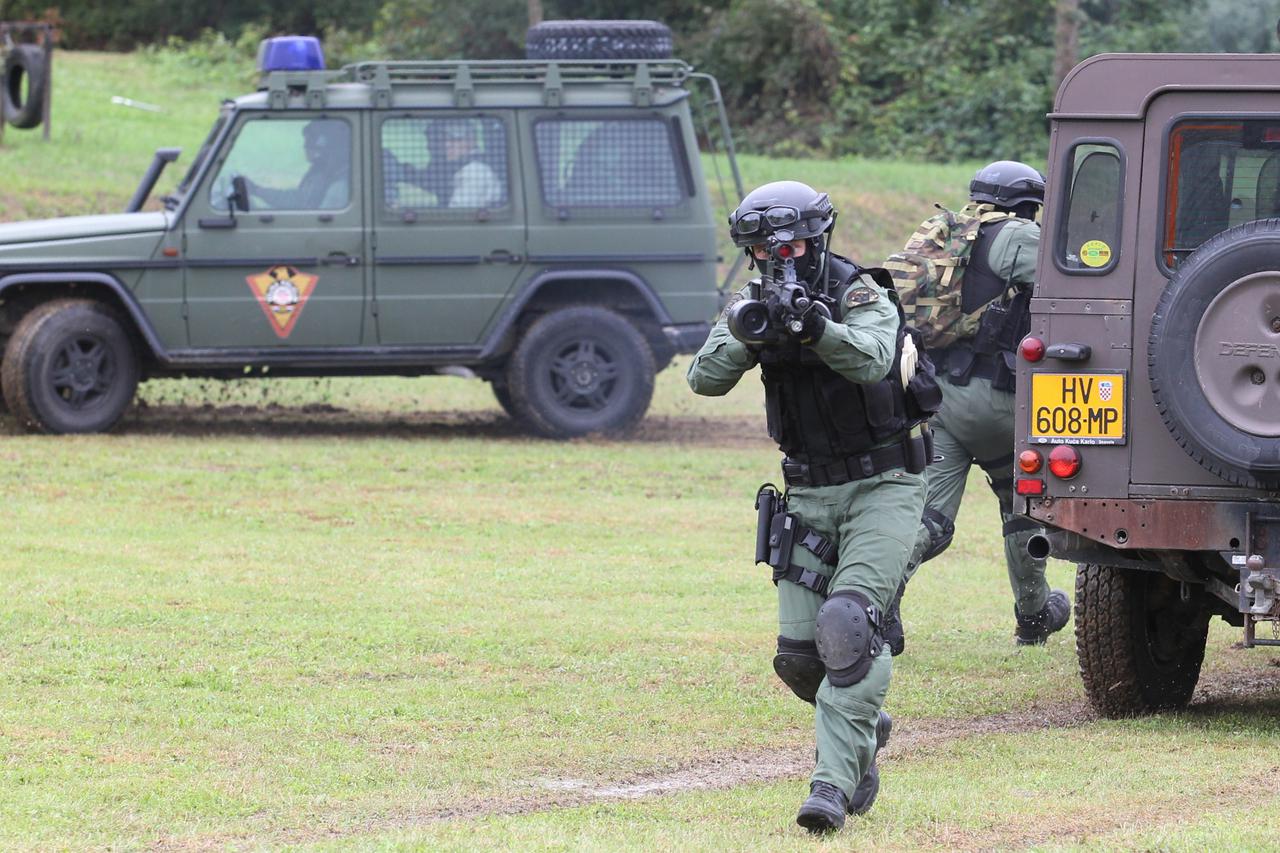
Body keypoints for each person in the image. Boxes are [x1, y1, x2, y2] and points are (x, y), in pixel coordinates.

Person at [687, 181, 939, 833]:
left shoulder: (860, 292)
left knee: (848, 626)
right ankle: (863, 728)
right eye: (764, 250)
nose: (780, 259)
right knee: (802, 659)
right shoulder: (752, 301)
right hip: (808, 490)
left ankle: (830, 786)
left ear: (818, 240)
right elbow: (702, 379)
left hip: (886, 483)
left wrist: (817, 327)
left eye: (792, 246)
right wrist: (751, 332)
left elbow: (872, 360)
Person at [896, 160, 1071, 646]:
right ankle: (1033, 617)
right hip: (999, 402)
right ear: (1028, 205)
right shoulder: (1017, 236)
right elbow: (1078, 280)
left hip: (940, 401)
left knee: (931, 519)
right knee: (1021, 509)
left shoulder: (949, 235)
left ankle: (872, 604)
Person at [243, 120, 350, 210]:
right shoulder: (324, 172)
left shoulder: (336, 182)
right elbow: (298, 198)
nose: (305, 147)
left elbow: (298, 202)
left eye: (310, 141)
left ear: (323, 145)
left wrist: (256, 190)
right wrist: (257, 190)